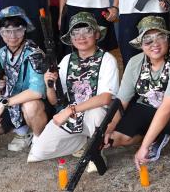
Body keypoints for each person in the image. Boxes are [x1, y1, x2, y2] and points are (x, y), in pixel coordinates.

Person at [27, 12, 120, 163]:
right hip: (72, 116)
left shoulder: (107, 59)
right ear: (70, 38)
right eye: (75, 33)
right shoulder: (66, 60)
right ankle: (82, 142)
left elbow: (105, 98)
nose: (81, 37)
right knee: (37, 153)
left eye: (87, 31)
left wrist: (70, 110)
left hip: (94, 113)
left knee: (97, 114)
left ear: (97, 35)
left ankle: (96, 152)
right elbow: (54, 101)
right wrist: (49, 85)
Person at [112, 16, 170, 180]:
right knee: (115, 139)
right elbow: (121, 101)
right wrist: (107, 129)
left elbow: (167, 107)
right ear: (141, 44)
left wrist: (143, 147)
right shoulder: (134, 62)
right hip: (147, 109)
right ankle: (156, 137)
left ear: (168, 39)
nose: (154, 44)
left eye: (160, 37)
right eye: (148, 40)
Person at [0, 7, 54, 152]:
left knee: (30, 106)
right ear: (0, 32)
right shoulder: (1, 54)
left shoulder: (34, 53)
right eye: (7, 31)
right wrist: (0, 86)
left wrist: (4, 103)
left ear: (25, 30)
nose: (12, 35)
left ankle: (39, 138)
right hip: (13, 103)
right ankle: (23, 131)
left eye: (18, 30)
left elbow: (37, 92)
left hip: (36, 103)